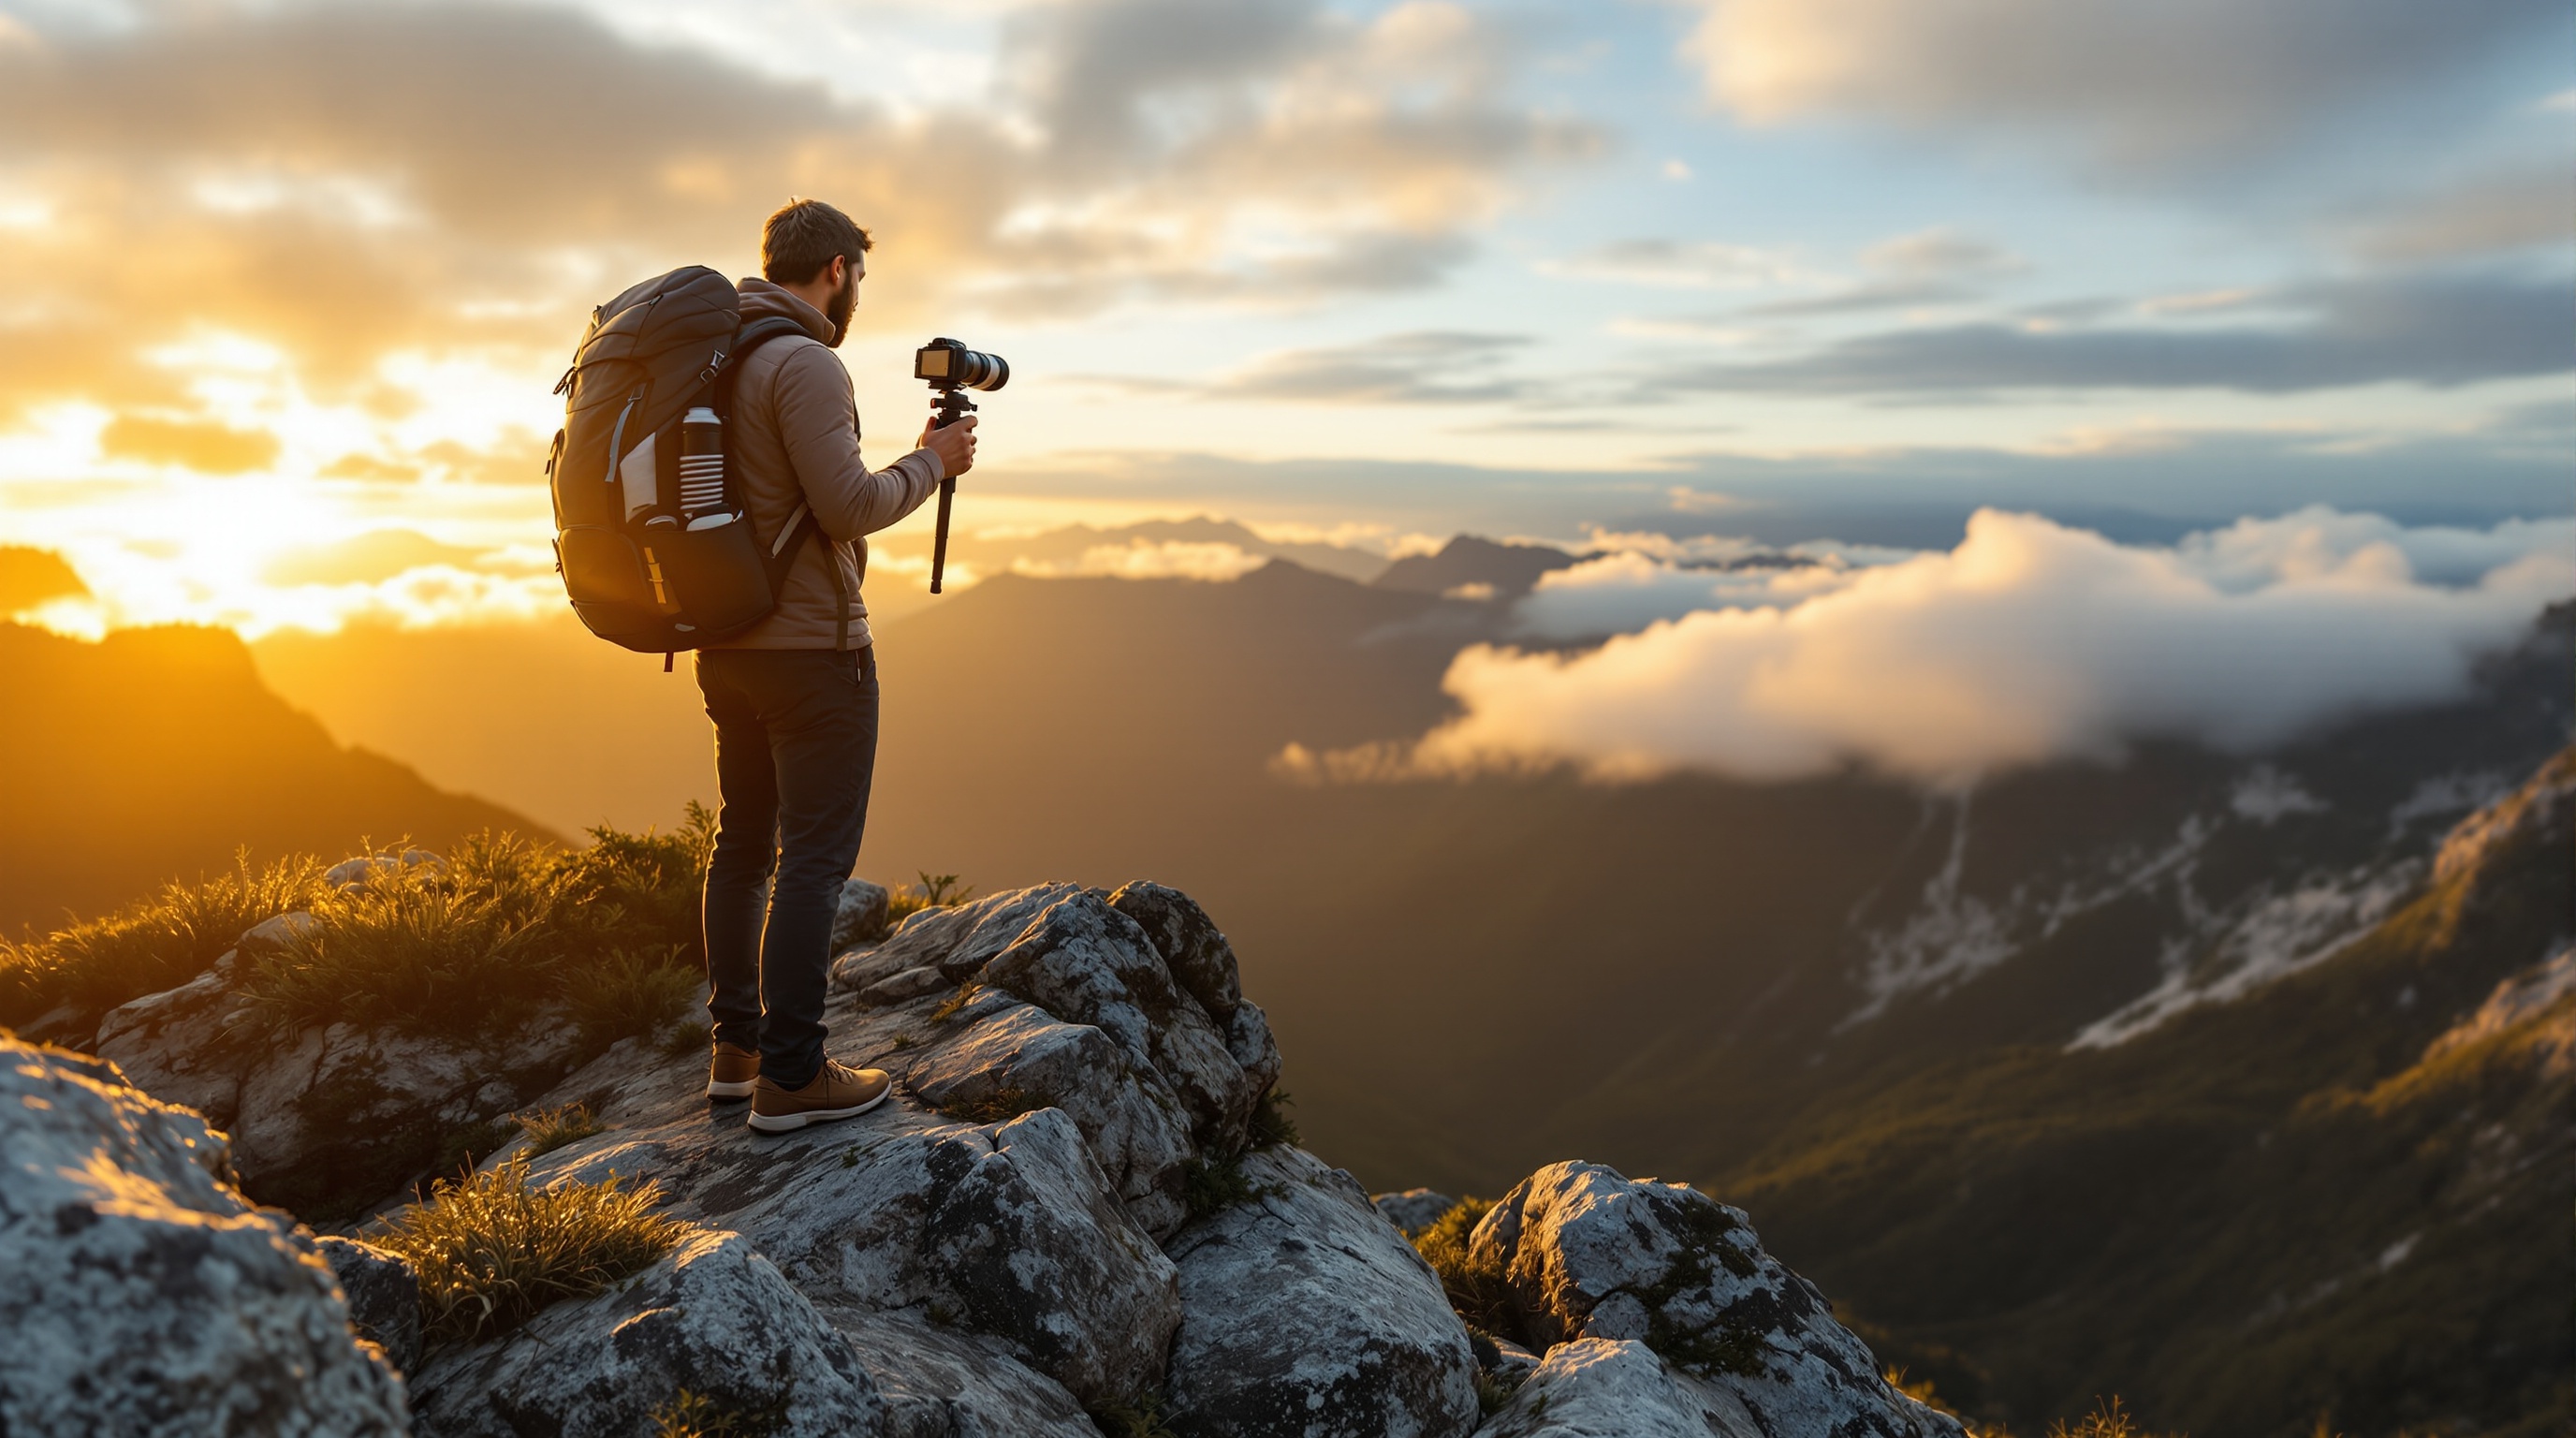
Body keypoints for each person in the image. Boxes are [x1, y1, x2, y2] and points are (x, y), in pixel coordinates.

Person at [697, 198, 977, 1134]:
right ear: (836, 272)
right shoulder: (806, 361)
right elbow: (848, 505)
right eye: (856, 277)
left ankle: (734, 1052)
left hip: (724, 643)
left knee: (743, 844)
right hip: (812, 652)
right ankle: (792, 1075)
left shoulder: (715, 355)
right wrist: (932, 460)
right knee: (812, 860)